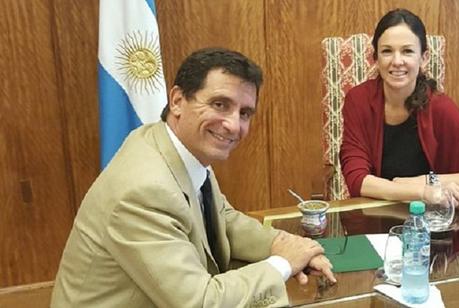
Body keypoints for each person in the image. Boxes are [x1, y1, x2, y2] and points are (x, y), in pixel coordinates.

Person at [51, 47, 335, 308]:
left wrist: (287, 245)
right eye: (220, 104)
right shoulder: (143, 190)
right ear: (177, 100)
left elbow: (223, 218)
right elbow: (199, 302)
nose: (234, 125)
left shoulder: (173, 144)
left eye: (245, 112)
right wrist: (283, 263)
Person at [340, 9, 459, 206]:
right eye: (387, 51)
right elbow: (357, 181)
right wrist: (423, 191)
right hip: (374, 214)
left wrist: (427, 181)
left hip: (430, 220)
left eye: (407, 51)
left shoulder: (439, 106)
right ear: (375, 58)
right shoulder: (358, 100)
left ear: (424, 58)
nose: (397, 61)